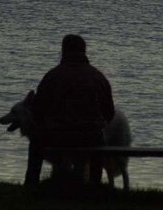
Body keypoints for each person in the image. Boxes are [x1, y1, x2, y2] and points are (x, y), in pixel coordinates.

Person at [25, 34, 115, 186]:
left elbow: (37, 111)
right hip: (89, 137)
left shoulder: (52, 76)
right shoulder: (98, 77)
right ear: (84, 51)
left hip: (56, 135)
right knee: (100, 143)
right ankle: (95, 184)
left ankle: (31, 184)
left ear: (63, 51)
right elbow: (109, 113)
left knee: (35, 142)